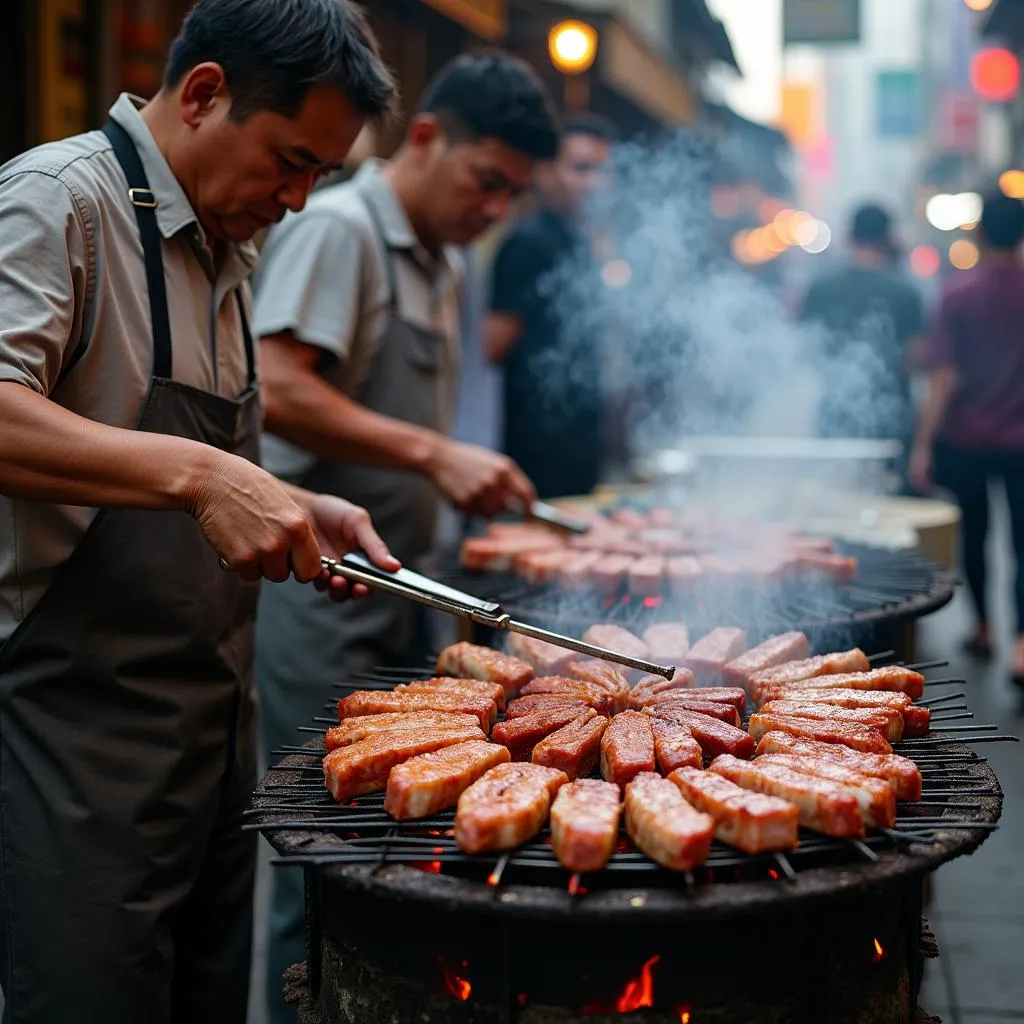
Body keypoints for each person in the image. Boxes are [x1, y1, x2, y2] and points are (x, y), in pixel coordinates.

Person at [0, 2, 399, 1021]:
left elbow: (205, 469)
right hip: (73, 735)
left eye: (321, 175)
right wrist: (204, 477)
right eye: (290, 159)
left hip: (215, 731)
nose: (300, 201)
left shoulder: (230, 246)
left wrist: (297, 499)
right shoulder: (58, 200)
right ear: (205, 92)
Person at [250, 51, 559, 1018]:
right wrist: (434, 455)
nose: (494, 208)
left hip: (401, 587)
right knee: (325, 853)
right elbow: (281, 385)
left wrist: (457, 479)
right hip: (319, 595)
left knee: (404, 847)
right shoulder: (340, 229)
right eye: (486, 181)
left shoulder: (449, 258)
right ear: (427, 138)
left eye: (513, 193)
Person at [911, 193, 1024, 682]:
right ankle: (1022, 642)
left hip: (967, 440)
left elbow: (944, 378)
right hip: (1021, 441)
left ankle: (982, 627)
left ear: (978, 233)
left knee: (975, 538)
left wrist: (922, 444)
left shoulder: (957, 294)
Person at [486, 113, 618, 499]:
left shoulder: (581, 242)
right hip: (537, 455)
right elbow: (492, 346)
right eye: (581, 169)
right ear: (545, 174)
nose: (594, 183)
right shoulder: (530, 243)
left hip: (579, 448)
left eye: (603, 171)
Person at [801, 203, 926, 490]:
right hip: (891, 415)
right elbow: (916, 357)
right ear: (889, 238)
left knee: (835, 496)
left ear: (849, 236)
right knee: (885, 500)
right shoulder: (905, 291)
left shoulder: (820, 287)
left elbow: (808, 350)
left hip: (835, 412)